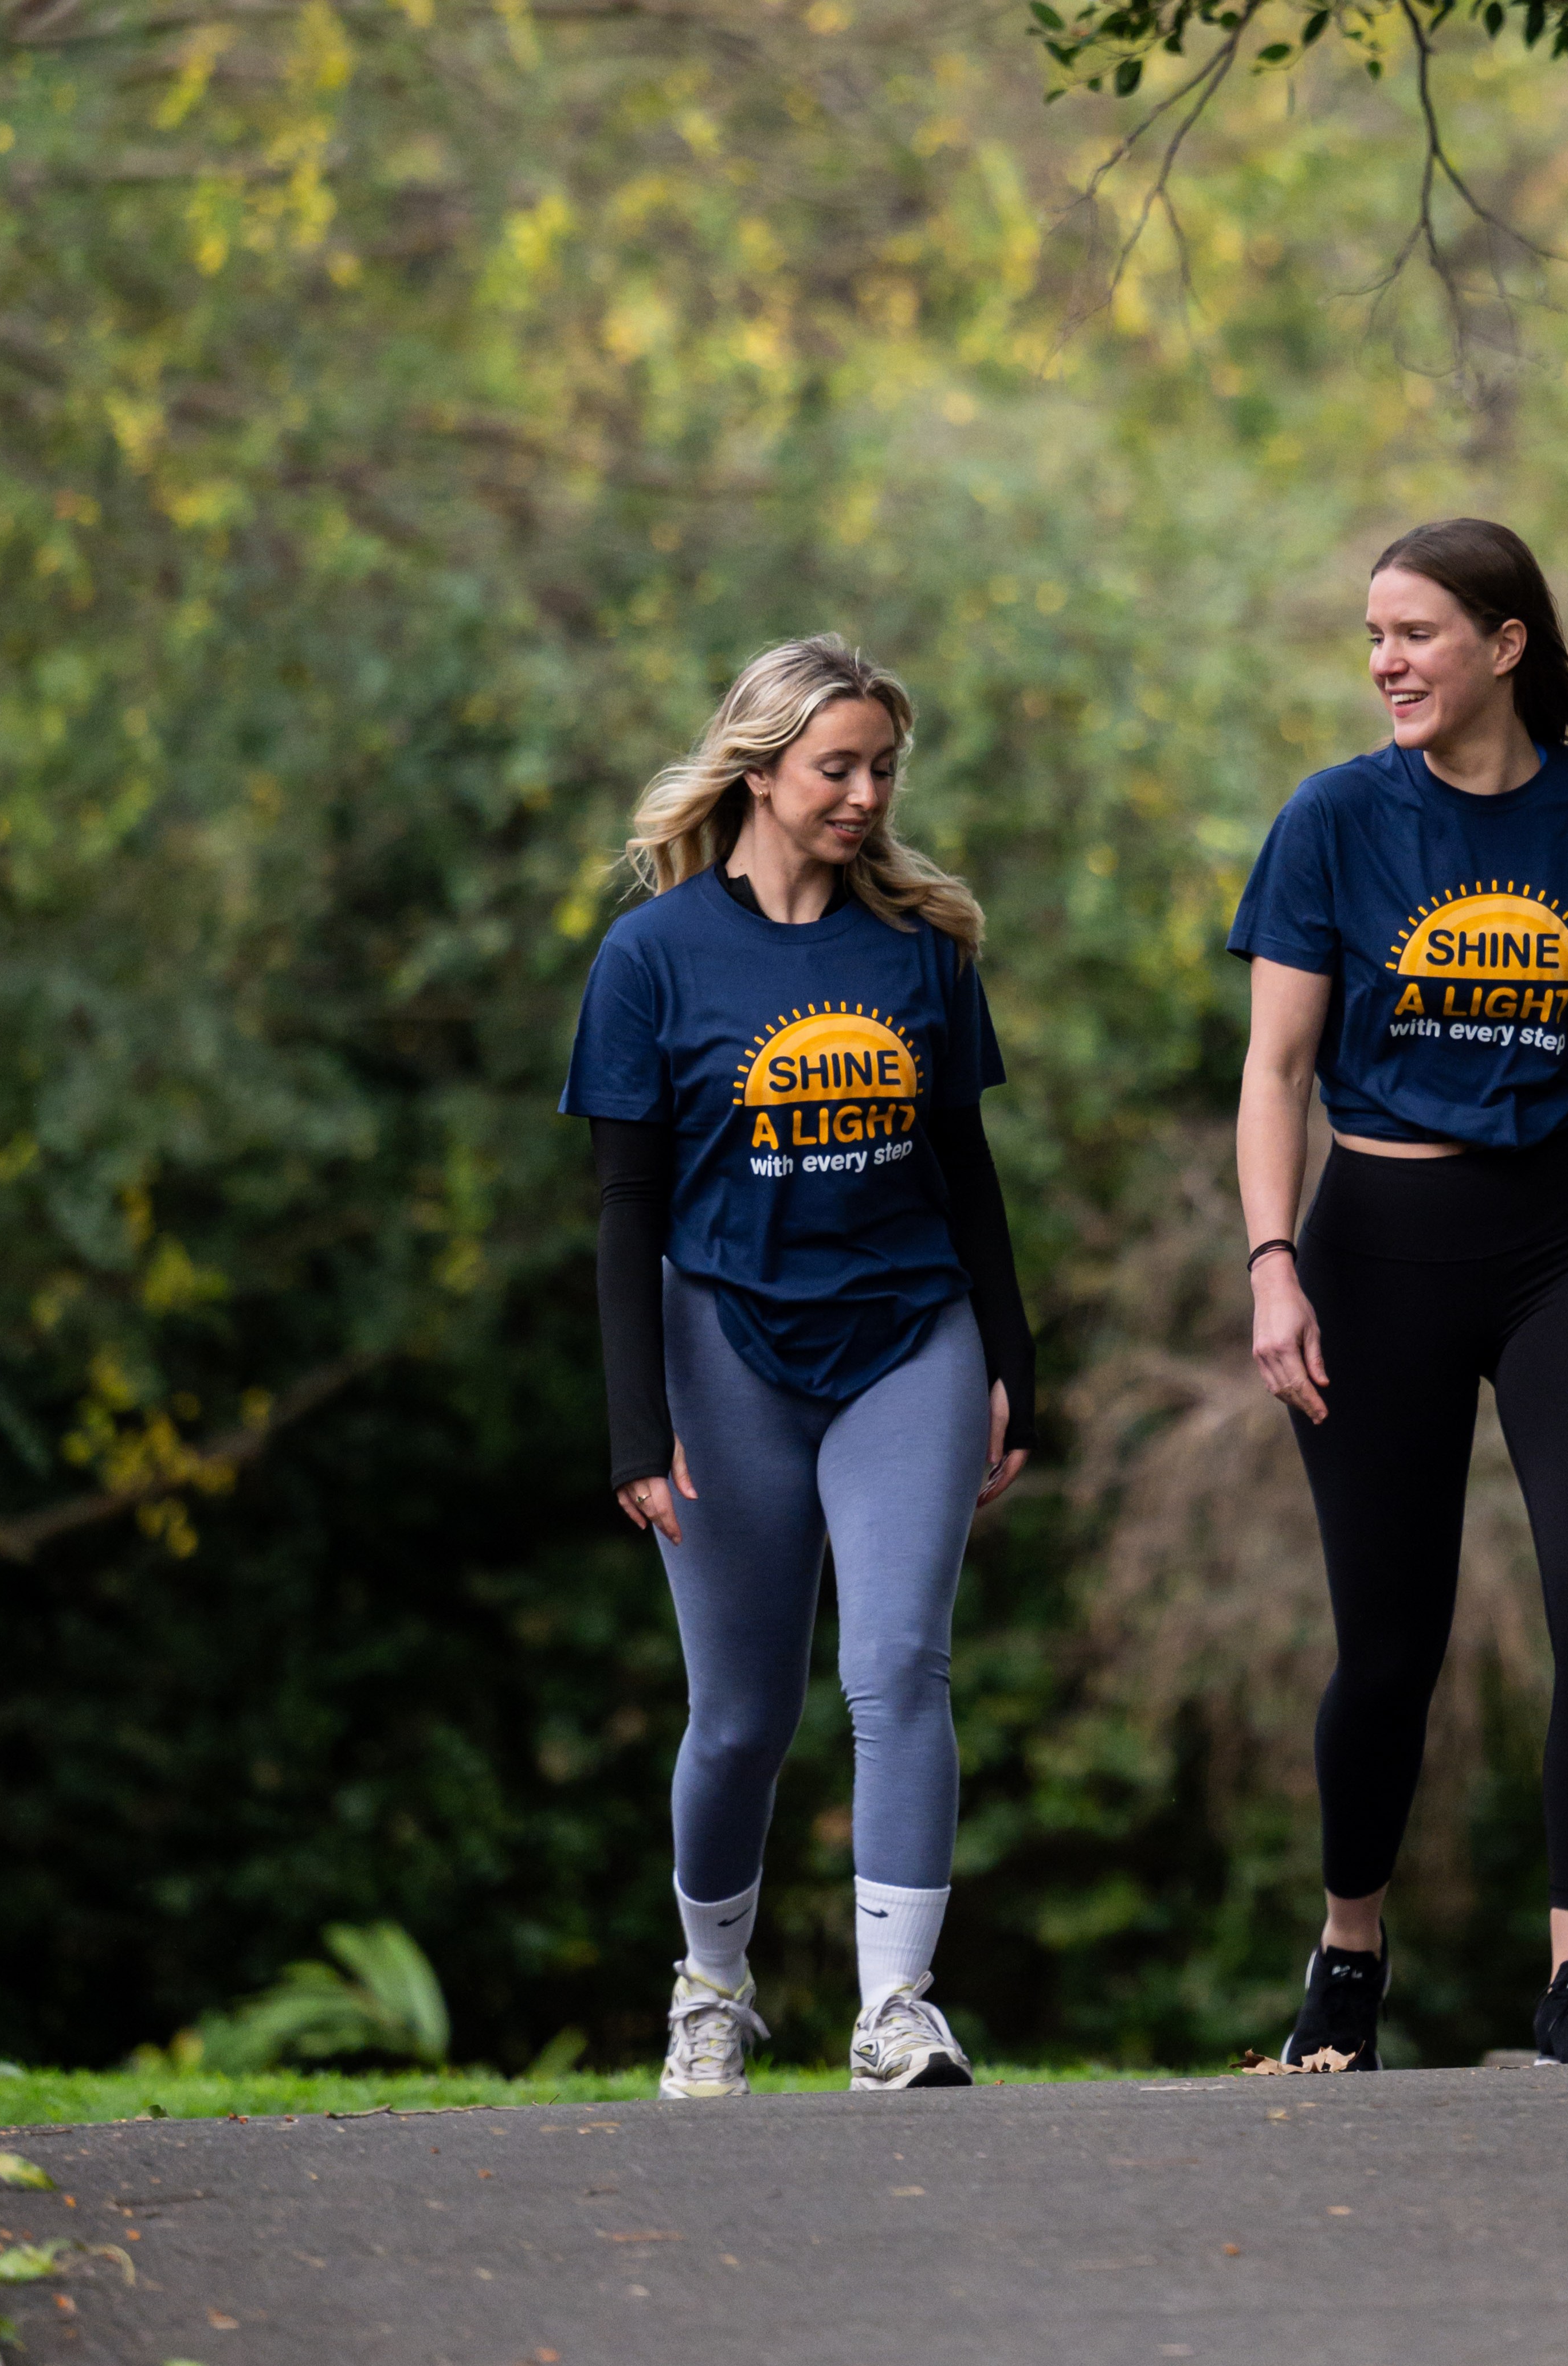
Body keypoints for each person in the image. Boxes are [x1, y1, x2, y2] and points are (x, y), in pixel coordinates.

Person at [1228, 519, 1568, 2069]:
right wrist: (1270, 1266)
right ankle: (1351, 1948)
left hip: (1560, 1239)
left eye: (1415, 634)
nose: (1385, 662)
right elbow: (1275, 1069)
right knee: (1392, 1637)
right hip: (1372, 1246)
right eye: (1371, 637)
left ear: (1504, 646)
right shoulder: (1333, 821)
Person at [560, 634, 1035, 2098]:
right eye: (840, 766)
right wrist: (637, 1428)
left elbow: (965, 1166)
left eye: (884, 768)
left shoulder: (920, 947)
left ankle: (896, 2012)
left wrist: (1012, 1360)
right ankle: (712, 1986)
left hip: (909, 1337)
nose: (867, 794)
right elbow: (628, 1203)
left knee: (899, 1665)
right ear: (759, 766)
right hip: (724, 1354)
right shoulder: (652, 956)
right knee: (744, 1716)